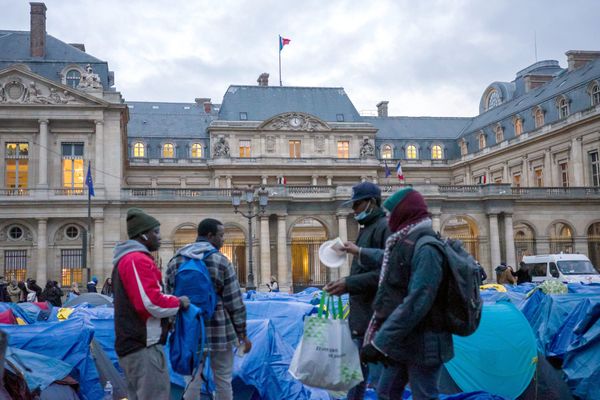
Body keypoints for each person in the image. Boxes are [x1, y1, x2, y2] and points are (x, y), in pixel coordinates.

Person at [359, 187, 454, 400]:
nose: (388, 218)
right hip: (404, 340)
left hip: (426, 342)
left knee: (424, 396)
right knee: (385, 393)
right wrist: (359, 252)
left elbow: (417, 300)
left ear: (405, 213)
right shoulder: (405, 241)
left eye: (392, 213)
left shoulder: (427, 247)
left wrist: (380, 342)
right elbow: (390, 261)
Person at [166, 218, 251, 400]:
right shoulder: (221, 261)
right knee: (223, 380)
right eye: (221, 236)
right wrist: (242, 334)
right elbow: (234, 301)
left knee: (191, 380)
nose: (223, 240)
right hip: (220, 327)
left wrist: (174, 328)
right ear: (210, 236)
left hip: (190, 328)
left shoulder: (176, 260)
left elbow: (170, 299)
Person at [112, 208, 189, 400]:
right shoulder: (136, 260)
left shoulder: (128, 259)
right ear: (143, 235)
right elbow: (149, 303)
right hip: (143, 346)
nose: (159, 237)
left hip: (137, 345)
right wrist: (179, 302)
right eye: (155, 232)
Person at [323, 181, 391, 400]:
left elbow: (387, 273)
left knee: (379, 380)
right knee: (358, 375)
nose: (353, 210)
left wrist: (349, 283)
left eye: (357, 205)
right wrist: (346, 284)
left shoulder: (384, 227)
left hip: (376, 316)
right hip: (364, 315)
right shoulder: (368, 228)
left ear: (371, 202)